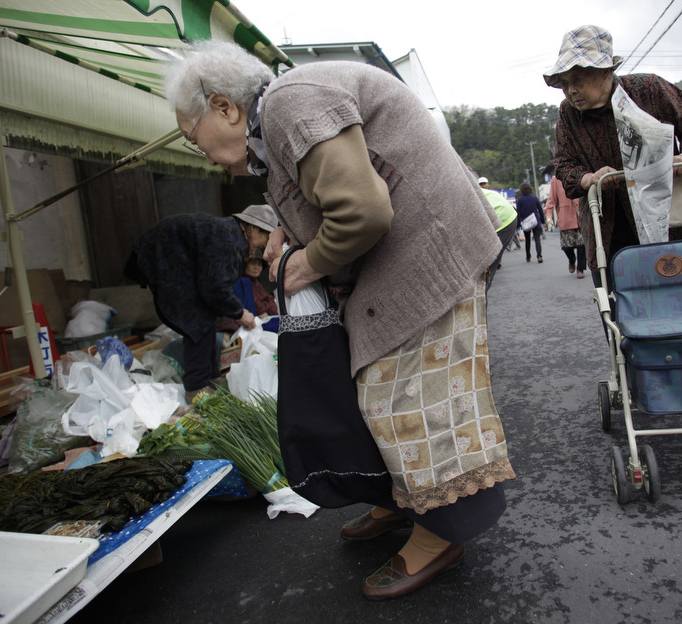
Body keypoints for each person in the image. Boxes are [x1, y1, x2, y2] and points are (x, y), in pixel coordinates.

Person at [164, 41, 514, 600]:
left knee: (409, 398)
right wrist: (290, 231)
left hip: (430, 255)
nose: (199, 152)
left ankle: (439, 532)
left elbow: (362, 211)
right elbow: (323, 196)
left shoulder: (287, 104)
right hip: (402, 257)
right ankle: (402, 498)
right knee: (369, 387)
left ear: (224, 106)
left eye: (192, 135)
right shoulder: (275, 124)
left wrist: (305, 263)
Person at [547, 25, 682, 288]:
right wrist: (587, 179)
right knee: (618, 311)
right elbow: (564, 165)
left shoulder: (647, 88)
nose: (571, 91)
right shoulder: (568, 113)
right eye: (564, 83)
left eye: (577, 79)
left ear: (606, 70)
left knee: (677, 297)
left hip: (666, 221)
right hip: (607, 232)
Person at [124, 204, 275, 402]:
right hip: (163, 257)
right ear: (254, 228)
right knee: (197, 322)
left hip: (171, 259)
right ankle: (196, 388)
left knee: (205, 319)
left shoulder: (231, 234)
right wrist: (240, 313)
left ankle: (211, 378)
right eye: (265, 239)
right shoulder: (230, 239)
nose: (262, 247)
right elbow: (215, 287)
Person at [478, 176, 518, 288]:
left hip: (503, 217)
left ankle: (480, 301)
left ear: (488, 184)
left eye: (485, 183)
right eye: (482, 184)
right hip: (497, 216)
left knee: (482, 272)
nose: (484, 185)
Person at [544, 172, 586, 278]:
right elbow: (551, 201)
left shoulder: (579, 174)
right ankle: (572, 260)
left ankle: (580, 269)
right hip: (565, 218)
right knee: (567, 247)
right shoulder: (556, 180)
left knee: (582, 245)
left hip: (580, 217)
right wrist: (549, 217)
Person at [515, 182, 545, 263]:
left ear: (522, 190)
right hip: (536, 221)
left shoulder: (520, 200)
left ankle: (528, 256)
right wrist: (543, 220)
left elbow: (518, 213)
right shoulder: (534, 198)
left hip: (526, 223)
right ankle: (539, 256)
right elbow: (540, 210)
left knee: (527, 240)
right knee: (537, 239)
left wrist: (518, 224)